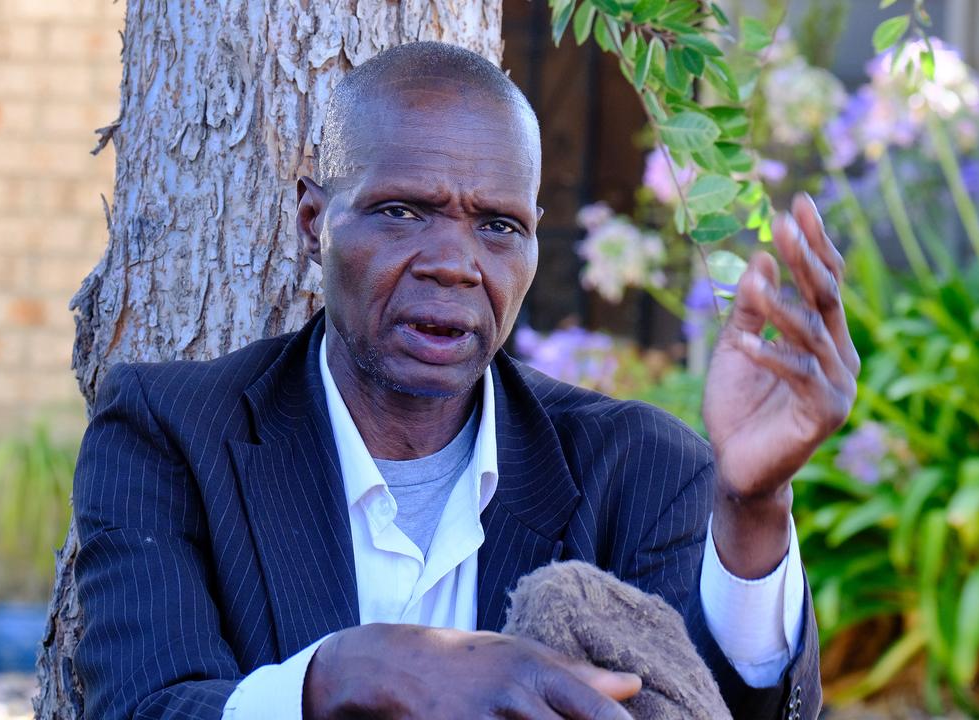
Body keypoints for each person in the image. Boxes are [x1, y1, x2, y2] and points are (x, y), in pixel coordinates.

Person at [71, 41, 858, 720]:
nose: (454, 261)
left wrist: (753, 507)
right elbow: (144, 704)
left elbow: (717, 708)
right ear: (314, 221)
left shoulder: (638, 467)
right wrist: (342, 677)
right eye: (403, 212)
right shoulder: (170, 433)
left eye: (498, 226)